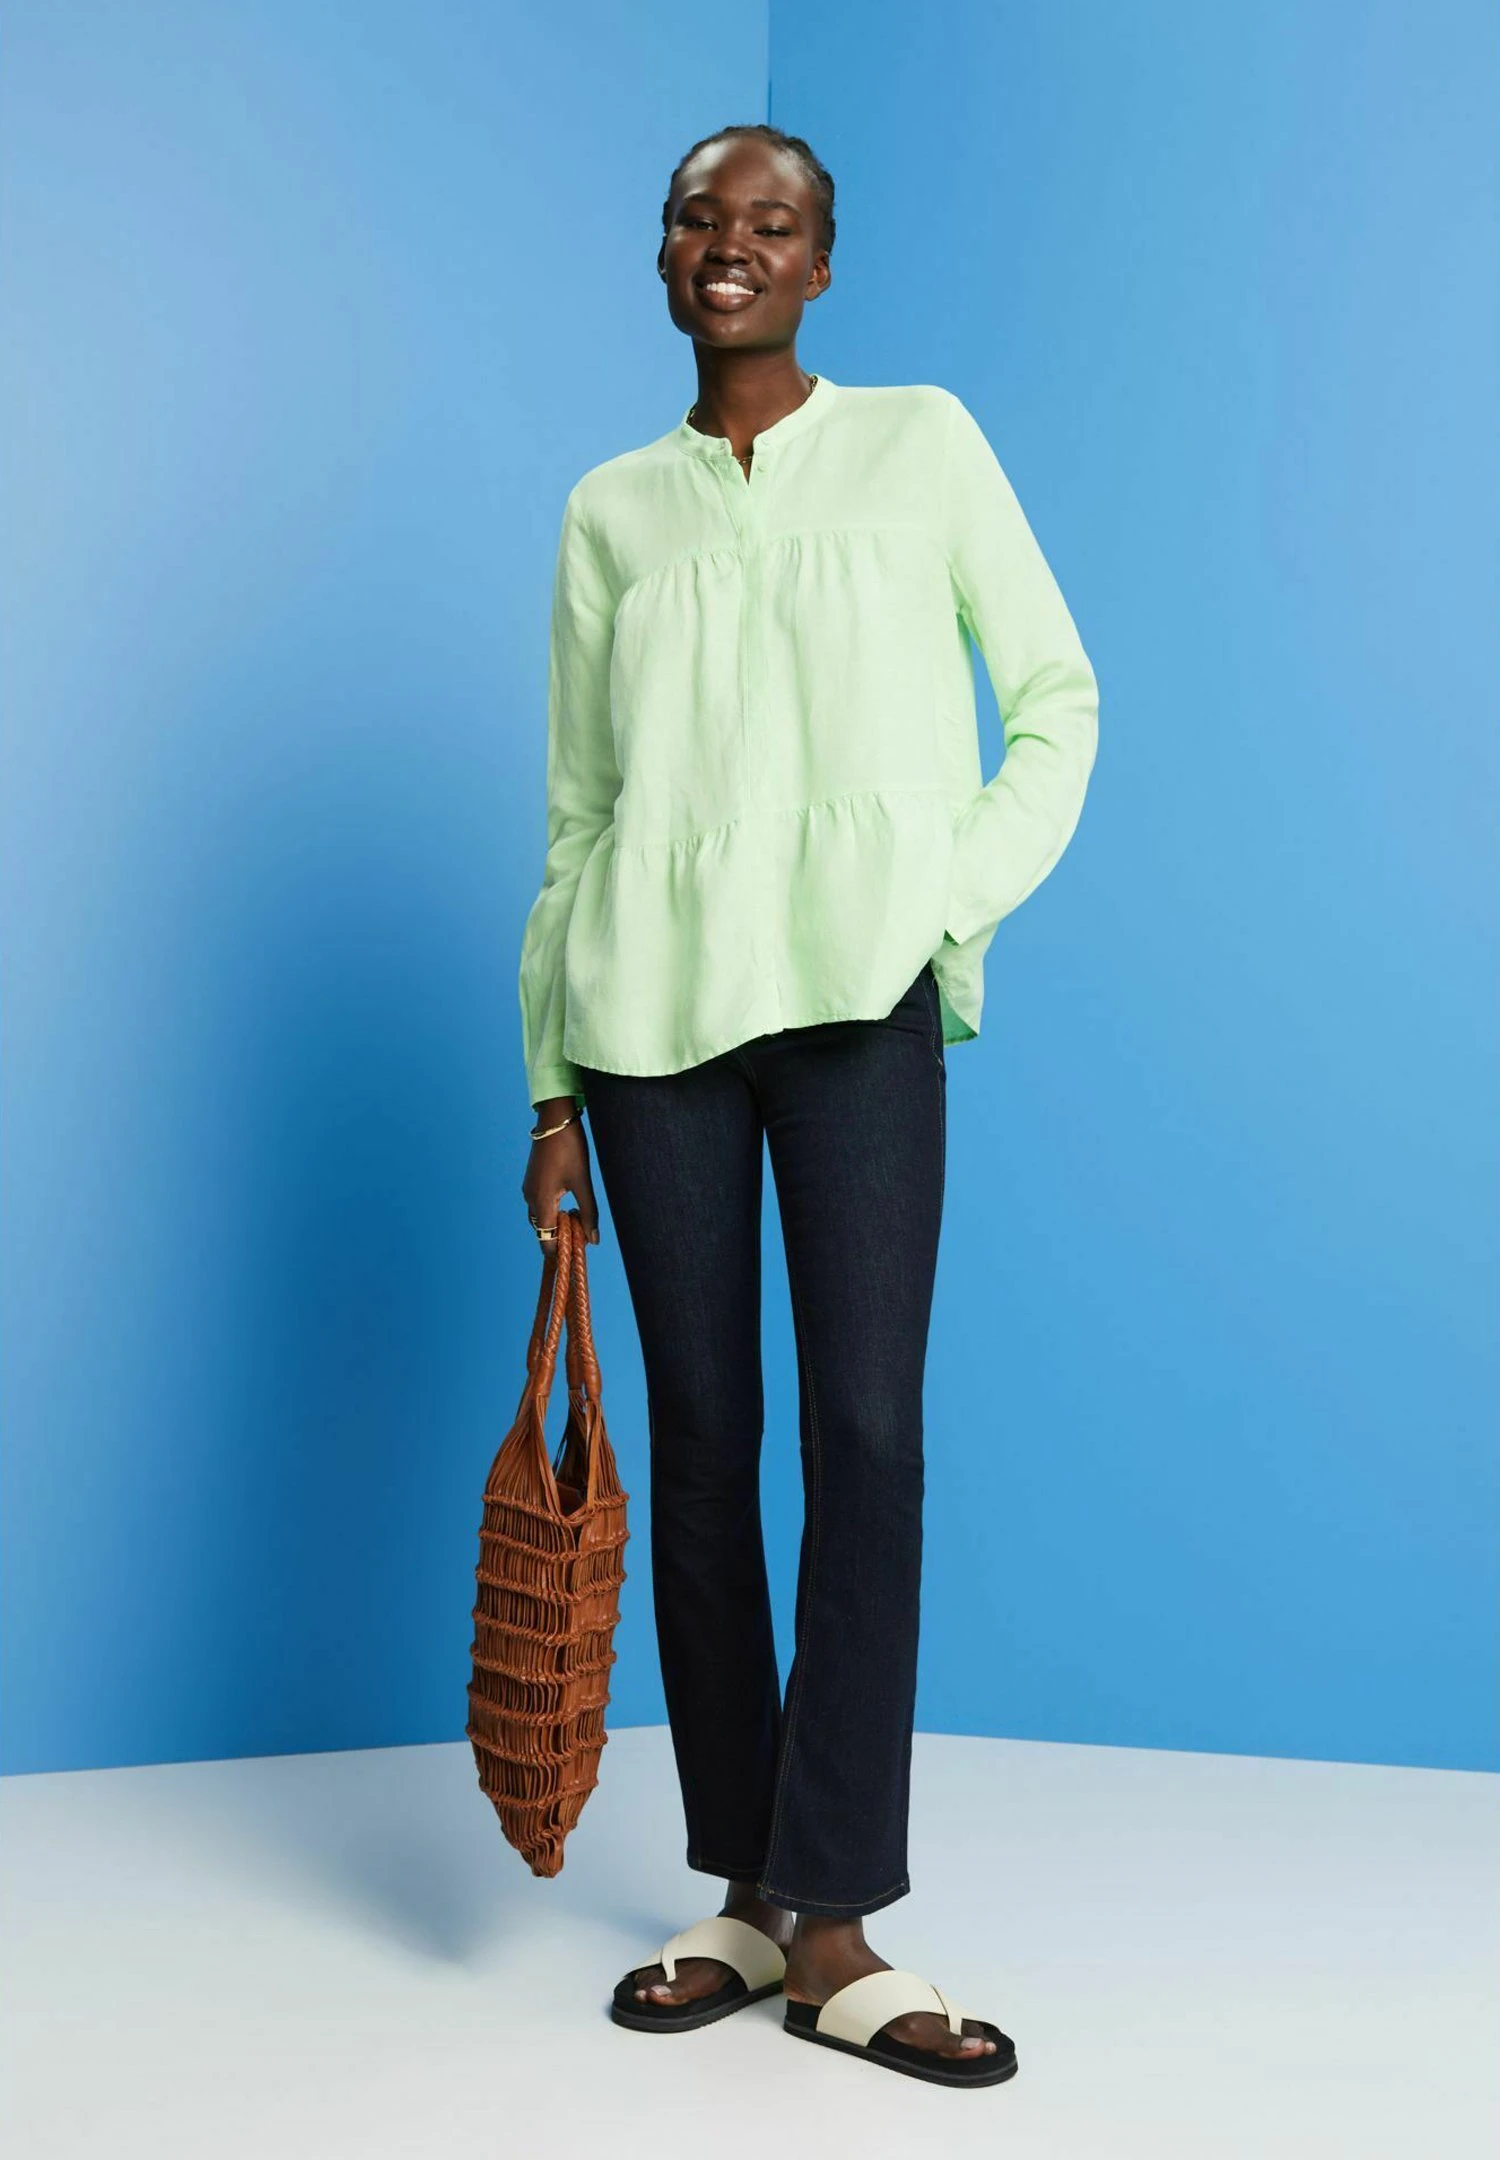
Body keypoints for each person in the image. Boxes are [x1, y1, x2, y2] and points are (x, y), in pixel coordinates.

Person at [517, 122, 1097, 2088]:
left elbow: (1058, 700)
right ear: (661, 252)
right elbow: (579, 816)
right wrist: (547, 1086)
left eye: (771, 223)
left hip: (856, 1005)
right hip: (644, 1024)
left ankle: (839, 1914)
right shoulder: (610, 510)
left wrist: (939, 901)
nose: (731, 244)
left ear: (821, 265)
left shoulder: (921, 444)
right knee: (701, 1448)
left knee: (868, 1438)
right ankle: (750, 1888)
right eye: (701, 216)